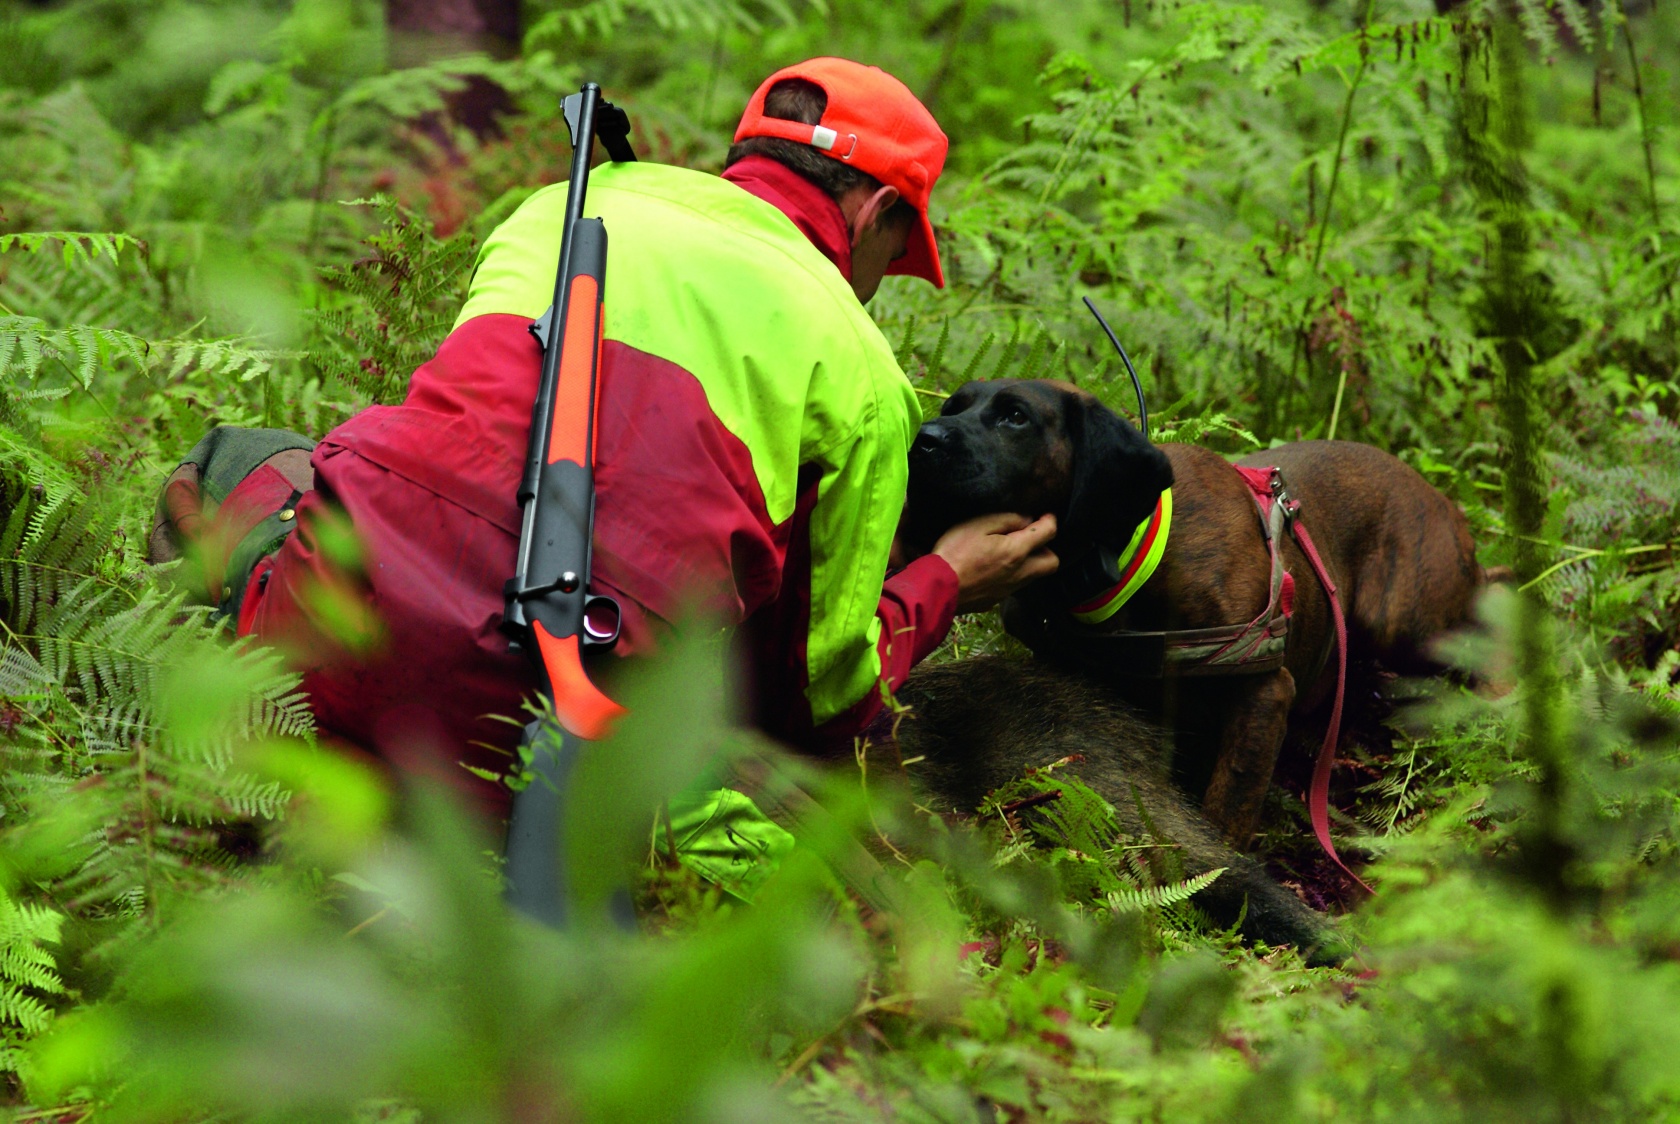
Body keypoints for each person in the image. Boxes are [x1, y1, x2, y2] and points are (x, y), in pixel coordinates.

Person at [198, 58, 1058, 821]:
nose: (876, 289)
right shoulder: (865, 372)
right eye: (897, 256)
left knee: (231, 464)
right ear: (877, 213)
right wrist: (944, 582)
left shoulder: (560, 208)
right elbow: (811, 702)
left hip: (316, 653)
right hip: (548, 742)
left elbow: (463, 439)